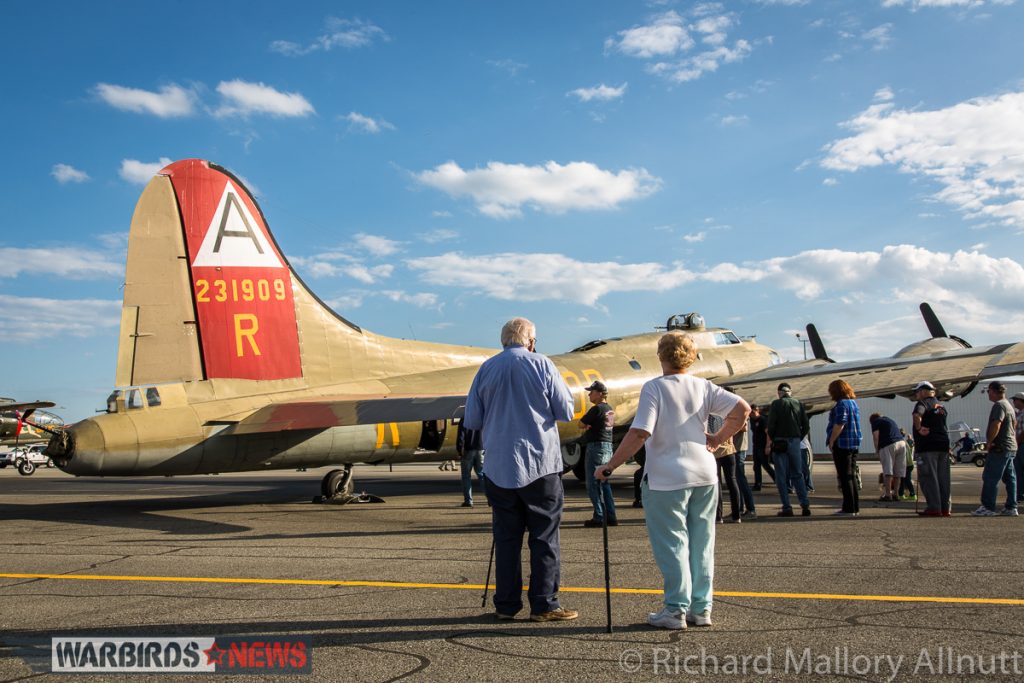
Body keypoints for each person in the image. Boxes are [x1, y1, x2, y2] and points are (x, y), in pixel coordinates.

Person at [596, 332, 750, 630]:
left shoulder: (654, 388)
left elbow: (641, 432)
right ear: (692, 357)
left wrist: (610, 465)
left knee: (673, 544)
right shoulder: (704, 387)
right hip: (705, 474)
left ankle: (675, 609)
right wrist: (718, 438)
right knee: (702, 543)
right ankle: (701, 608)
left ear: (660, 356)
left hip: (667, 477)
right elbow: (742, 409)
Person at [462, 317, 578, 622]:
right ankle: (544, 605)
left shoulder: (486, 369)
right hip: (540, 463)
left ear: (503, 341)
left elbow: (472, 419)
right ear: (531, 341)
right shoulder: (543, 365)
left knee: (506, 539)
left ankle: (506, 605)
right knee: (544, 537)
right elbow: (566, 410)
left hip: (499, 466)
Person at [972, 381, 1018, 517]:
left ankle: (988, 506)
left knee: (990, 477)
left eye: (988, 391)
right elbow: (1014, 424)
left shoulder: (999, 406)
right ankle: (1011, 506)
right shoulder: (1009, 405)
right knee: (1010, 478)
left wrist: (989, 442)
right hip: (1010, 446)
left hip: (1000, 447)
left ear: (993, 391)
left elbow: (996, 424)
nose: (988, 394)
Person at [766, 383, 812, 517]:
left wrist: (774, 439)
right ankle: (805, 505)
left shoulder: (776, 404)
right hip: (795, 441)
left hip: (780, 442)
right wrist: (798, 436)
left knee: (781, 475)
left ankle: (787, 507)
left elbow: (771, 425)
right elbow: (806, 425)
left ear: (779, 392)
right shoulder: (798, 403)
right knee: (797, 474)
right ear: (790, 392)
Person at [579, 380, 617, 528]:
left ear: (600, 393)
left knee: (593, 483)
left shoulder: (596, 409)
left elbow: (581, 424)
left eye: (592, 392)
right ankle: (611, 515)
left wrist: (588, 425)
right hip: (607, 446)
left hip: (596, 447)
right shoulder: (609, 409)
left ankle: (599, 516)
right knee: (604, 482)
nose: (589, 394)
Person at [911, 380, 951, 517]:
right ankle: (945, 508)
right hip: (943, 445)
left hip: (928, 446)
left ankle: (934, 507)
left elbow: (917, 415)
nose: (916, 395)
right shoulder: (941, 407)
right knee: (943, 478)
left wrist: (919, 428)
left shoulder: (923, 403)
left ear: (922, 391)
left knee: (929, 477)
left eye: (917, 392)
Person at [826, 380, 862, 516]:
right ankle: (854, 507)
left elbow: (840, 423)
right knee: (851, 476)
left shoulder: (841, 404)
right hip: (854, 443)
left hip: (842, 443)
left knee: (844, 476)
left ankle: (848, 508)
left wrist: (832, 440)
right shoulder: (853, 403)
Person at [869, 412, 906, 502]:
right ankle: (896, 494)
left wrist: (877, 450)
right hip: (902, 444)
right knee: (898, 471)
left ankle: (888, 494)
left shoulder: (876, 422)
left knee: (887, 471)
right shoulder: (890, 420)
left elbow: (876, 436)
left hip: (888, 444)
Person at [711, 414, 741, 524]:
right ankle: (736, 515)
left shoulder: (708, 416)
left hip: (714, 452)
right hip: (729, 451)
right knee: (732, 482)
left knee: (717, 483)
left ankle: (718, 516)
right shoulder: (727, 414)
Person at [456, 422, 485, 507]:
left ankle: (468, 501)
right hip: (481, 448)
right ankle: (490, 499)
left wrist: (459, 450)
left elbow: (461, 435)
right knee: (481, 474)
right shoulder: (481, 417)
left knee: (466, 476)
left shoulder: (464, 419)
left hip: (468, 449)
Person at [733, 418, 756, 519]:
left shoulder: (740, 410)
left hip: (739, 448)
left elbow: (744, 427)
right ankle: (739, 509)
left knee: (741, 479)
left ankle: (751, 509)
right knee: (737, 480)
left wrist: (726, 431)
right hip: (736, 448)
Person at [748, 405, 774, 490]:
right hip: (756, 445)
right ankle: (758, 484)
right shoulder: (752, 420)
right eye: (750, 413)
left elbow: (768, 433)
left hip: (763, 445)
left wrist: (768, 446)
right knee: (756, 466)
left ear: (757, 411)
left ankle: (776, 479)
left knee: (765, 464)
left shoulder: (762, 420)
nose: (751, 414)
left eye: (753, 412)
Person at [897, 429, 917, 501]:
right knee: (903, 479)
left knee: (907, 480)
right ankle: (901, 494)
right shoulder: (904, 442)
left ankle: (912, 494)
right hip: (909, 464)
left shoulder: (901, 443)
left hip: (906, 464)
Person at [1013, 392, 1024, 504]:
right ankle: (1020, 494)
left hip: (1021, 445)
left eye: (1015, 399)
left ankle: (1020, 494)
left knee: (1020, 470)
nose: (1014, 402)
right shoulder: (1019, 413)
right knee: (1018, 471)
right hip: (1019, 445)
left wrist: (1017, 442)